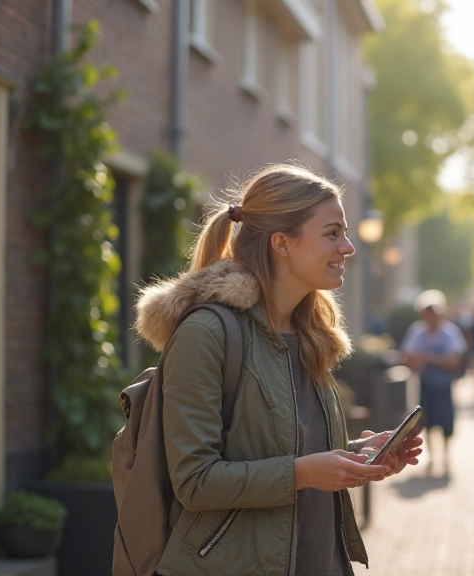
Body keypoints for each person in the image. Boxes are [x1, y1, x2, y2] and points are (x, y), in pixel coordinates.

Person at [134, 164, 422, 576]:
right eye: (332, 233)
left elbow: (292, 455)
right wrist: (305, 472)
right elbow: (195, 481)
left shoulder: (311, 334)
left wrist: (361, 457)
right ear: (282, 244)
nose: (348, 247)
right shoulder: (206, 334)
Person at [401, 289, 467, 477]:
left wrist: (428, 359)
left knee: (445, 423)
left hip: (443, 386)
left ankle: (445, 458)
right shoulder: (416, 332)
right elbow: (408, 358)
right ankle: (432, 458)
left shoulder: (450, 333)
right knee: (426, 423)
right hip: (425, 386)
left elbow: (454, 361)